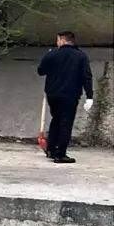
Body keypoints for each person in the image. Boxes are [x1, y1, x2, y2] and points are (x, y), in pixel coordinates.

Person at [36, 31, 95, 164]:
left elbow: (41, 71)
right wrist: (89, 96)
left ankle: (51, 149)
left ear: (62, 41)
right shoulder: (81, 56)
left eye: (58, 40)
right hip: (70, 94)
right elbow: (86, 77)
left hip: (53, 94)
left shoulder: (52, 54)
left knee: (56, 119)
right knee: (65, 123)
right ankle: (60, 154)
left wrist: (47, 57)